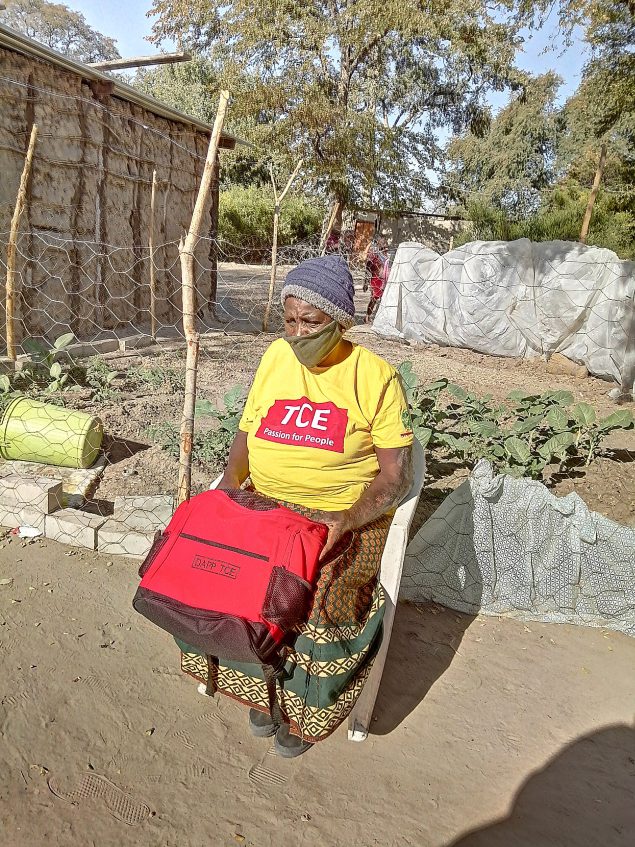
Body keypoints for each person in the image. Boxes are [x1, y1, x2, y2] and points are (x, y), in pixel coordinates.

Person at [178, 255, 414, 757]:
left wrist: (345, 519)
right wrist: (226, 492)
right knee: (222, 568)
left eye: (311, 322)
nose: (297, 332)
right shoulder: (275, 359)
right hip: (265, 501)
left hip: (341, 513)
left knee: (319, 588)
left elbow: (395, 476)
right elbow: (246, 437)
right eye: (289, 320)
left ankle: (304, 709)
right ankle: (260, 689)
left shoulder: (375, 377)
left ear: (341, 322)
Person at [364, 236, 390, 323]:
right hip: (376, 279)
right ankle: (367, 316)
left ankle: (381, 318)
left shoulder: (387, 255)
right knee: (374, 299)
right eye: (382, 242)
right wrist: (366, 282)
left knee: (385, 299)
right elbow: (368, 266)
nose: (385, 244)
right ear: (378, 243)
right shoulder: (375, 255)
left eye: (385, 242)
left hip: (385, 280)